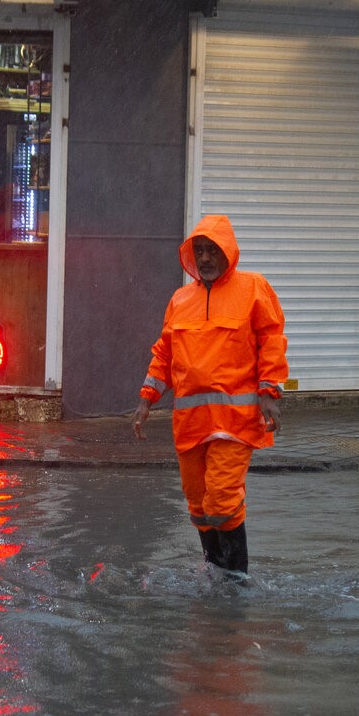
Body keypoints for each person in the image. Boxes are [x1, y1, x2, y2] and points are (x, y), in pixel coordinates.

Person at [132, 214, 288, 578]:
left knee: (221, 499)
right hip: (191, 424)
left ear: (228, 252)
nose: (204, 258)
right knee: (199, 505)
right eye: (199, 250)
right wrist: (145, 400)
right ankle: (215, 572)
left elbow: (272, 342)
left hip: (235, 423)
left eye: (212, 250)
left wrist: (270, 393)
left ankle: (236, 580)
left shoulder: (253, 289)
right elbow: (164, 355)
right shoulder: (180, 299)